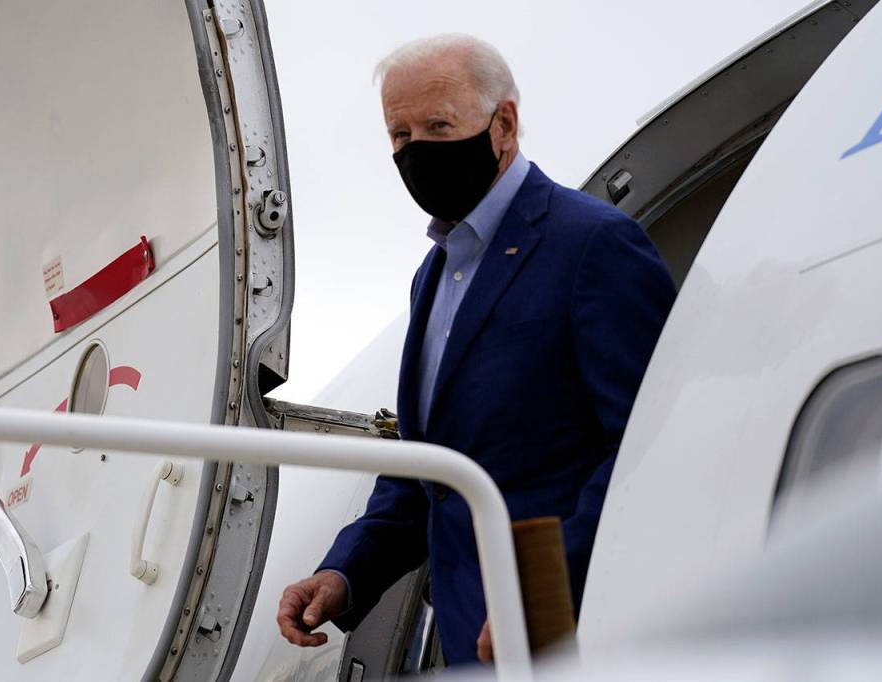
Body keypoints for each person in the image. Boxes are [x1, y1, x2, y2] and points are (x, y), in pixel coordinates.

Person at [277, 33, 676, 666]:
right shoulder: (432, 276)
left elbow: (651, 440)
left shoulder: (593, 246)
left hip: (574, 636)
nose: (418, 152)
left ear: (505, 124)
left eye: (438, 125)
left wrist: (548, 591)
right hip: (471, 643)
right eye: (400, 137)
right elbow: (428, 467)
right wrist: (344, 574)